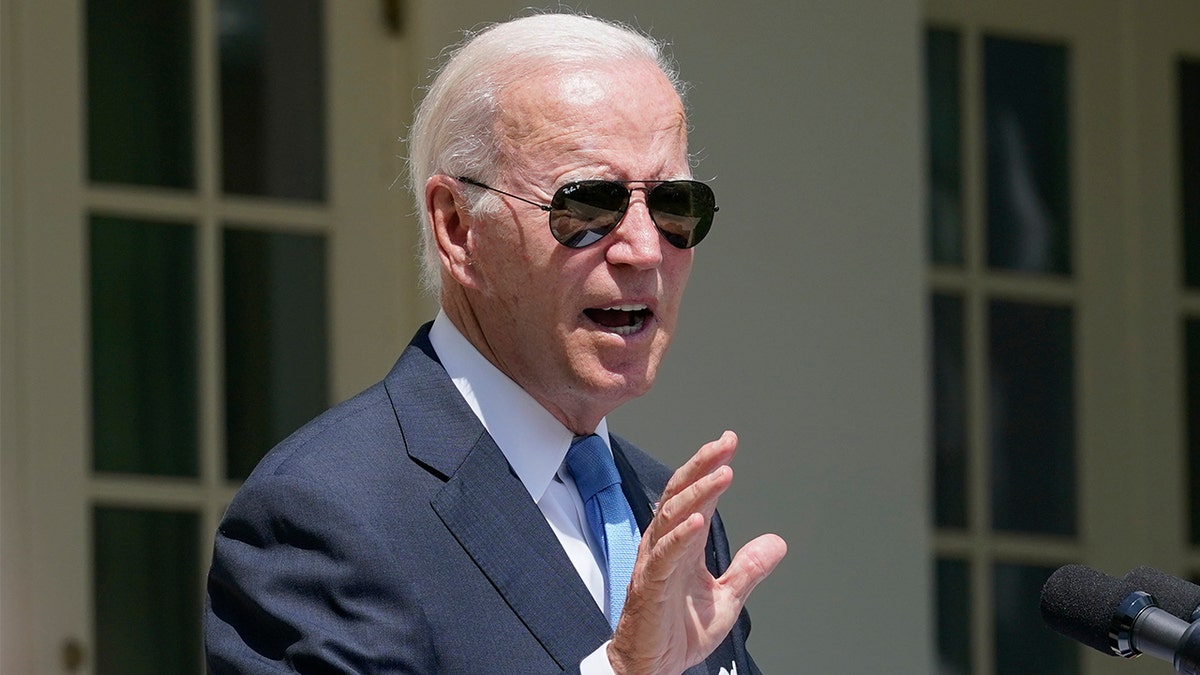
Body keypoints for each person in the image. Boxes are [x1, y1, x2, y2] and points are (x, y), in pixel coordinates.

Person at [205, 12, 787, 674]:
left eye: (674, 204)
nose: (645, 249)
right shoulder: (328, 513)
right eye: (589, 205)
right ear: (457, 227)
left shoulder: (670, 515)